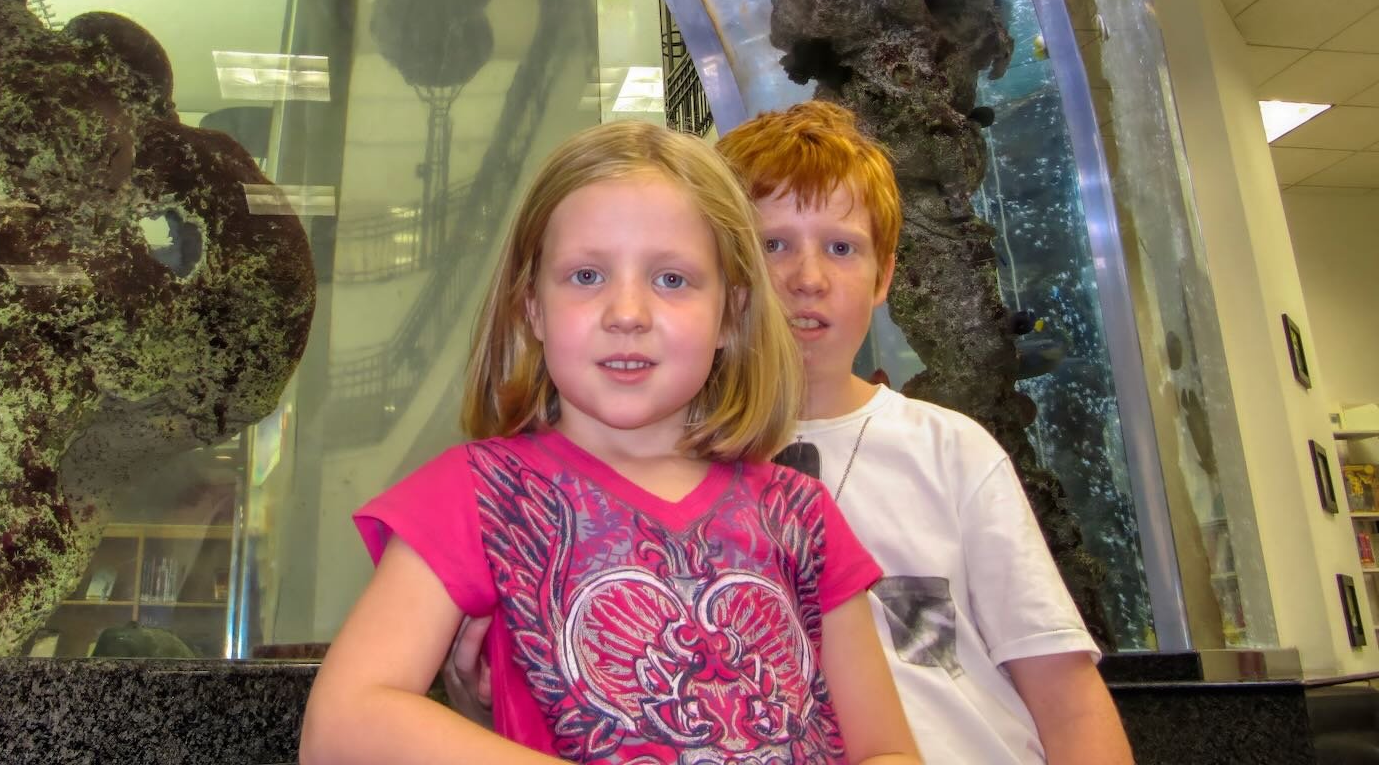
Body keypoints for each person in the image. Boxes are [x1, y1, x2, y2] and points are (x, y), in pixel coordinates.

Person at [450, 101, 1134, 765]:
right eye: (773, 244)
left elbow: (1066, 695)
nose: (807, 279)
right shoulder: (621, 465)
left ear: (884, 276)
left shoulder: (952, 451)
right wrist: (479, 694)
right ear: (726, 273)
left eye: (842, 247)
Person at [300, 120, 921, 765]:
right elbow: (343, 724)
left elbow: (887, 751)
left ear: (732, 314)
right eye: (587, 275)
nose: (627, 313)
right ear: (532, 307)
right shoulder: (477, 495)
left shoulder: (802, 514)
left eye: (671, 280)